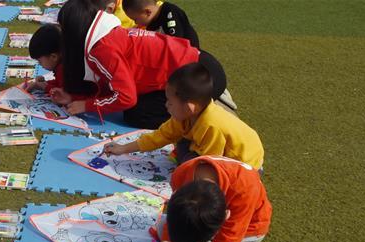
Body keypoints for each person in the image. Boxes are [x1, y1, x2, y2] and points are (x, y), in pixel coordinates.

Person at [55, 0, 227, 129]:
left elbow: (126, 97)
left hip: (202, 78)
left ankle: (198, 114)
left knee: (136, 115)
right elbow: (114, 83)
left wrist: (86, 105)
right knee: (136, 107)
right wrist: (76, 98)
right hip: (201, 67)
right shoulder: (107, 35)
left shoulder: (101, 49)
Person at [147, 155, 286, 242]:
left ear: (226, 216)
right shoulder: (182, 173)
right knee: (161, 225)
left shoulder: (243, 191)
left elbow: (228, 239)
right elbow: (177, 215)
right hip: (218, 216)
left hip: (250, 229)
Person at [104, 63, 263, 168]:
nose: (166, 105)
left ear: (189, 107)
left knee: (191, 167)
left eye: (170, 102)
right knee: (182, 147)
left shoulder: (211, 125)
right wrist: (123, 148)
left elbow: (210, 165)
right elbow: (160, 136)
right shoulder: (184, 117)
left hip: (245, 163)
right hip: (212, 152)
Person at [123, 0, 199, 47]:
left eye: (135, 19)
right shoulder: (152, 24)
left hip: (191, 60)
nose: (135, 23)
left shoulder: (170, 14)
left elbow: (177, 46)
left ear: (147, 12)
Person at [22, 24, 63, 93]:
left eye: (40, 61)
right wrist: (43, 84)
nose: (39, 64)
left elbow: (64, 93)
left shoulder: (64, 69)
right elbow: (59, 84)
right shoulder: (61, 65)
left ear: (54, 57)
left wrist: (44, 86)